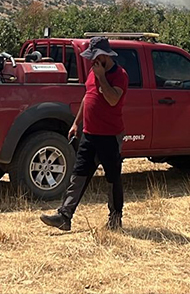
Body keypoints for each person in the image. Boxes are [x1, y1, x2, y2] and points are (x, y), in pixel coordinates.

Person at [40, 36, 128, 231]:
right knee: (78, 174)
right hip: (89, 134)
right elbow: (87, 98)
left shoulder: (119, 74)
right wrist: (76, 122)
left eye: (95, 57)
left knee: (113, 178)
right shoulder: (93, 71)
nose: (91, 61)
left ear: (104, 56)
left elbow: (113, 99)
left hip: (110, 135)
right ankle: (64, 216)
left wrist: (101, 77)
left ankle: (115, 219)